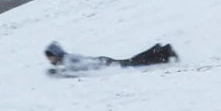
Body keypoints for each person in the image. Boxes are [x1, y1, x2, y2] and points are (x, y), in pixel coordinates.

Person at [43, 39, 178, 75]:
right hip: (102, 61)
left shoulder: (67, 61)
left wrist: (59, 72)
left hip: (103, 63)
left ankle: (163, 51)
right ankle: (161, 52)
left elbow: (79, 67)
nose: (49, 60)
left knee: (134, 63)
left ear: (55, 54)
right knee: (134, 62)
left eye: (50, 56)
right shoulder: (67, 59)